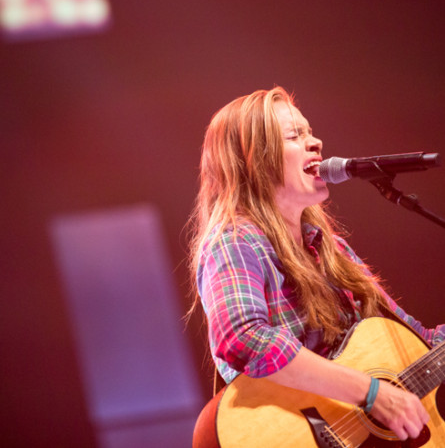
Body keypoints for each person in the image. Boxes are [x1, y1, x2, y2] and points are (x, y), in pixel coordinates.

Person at [187, 85, 445, 442]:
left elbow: (418, 341)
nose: (316, 142)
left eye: (310, 131)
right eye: (295, 135)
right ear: (254, 159)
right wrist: (371, 392)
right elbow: (244, 337)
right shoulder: (235, 241)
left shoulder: (328, 248)